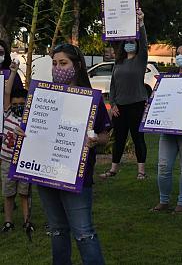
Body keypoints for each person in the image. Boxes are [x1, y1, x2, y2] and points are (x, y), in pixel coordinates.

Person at [38, 43, 112, 265]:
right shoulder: (43, 96)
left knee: (83, 232)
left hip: (76, 176)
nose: (57, 68)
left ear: (77, 66)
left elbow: (105, 136)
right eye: (54, 63)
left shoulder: (92, 99)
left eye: (63, 63)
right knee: (58, 231)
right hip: (46, 173)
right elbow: (36, 129)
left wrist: (95, 139)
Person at [151, 39, 182, 214]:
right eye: (178, 53)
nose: (180, 56)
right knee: (163, 166)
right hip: (167, 128)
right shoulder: (170, 75)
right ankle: (164, 201)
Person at [101, 9, 149, 180]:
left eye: (132, 41)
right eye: (127, 41)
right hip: (119, 107)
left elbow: (144, 42)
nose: (130, 43)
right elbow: (113, 85)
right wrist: (113, 104)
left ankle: (141, 171)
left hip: (137, 104)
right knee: (119, 138)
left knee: (138, 139)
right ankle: (113, 169)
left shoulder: (140, 60)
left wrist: (141, 23)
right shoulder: (118, 62)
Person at [1, 59, 31, 232]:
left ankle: (27, 221)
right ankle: (8, 221)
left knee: (24, 193)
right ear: (11, 104)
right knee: (8, 193)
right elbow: (6, 92)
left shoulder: (29, 119)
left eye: (22, 104)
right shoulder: (7, 113)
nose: (19, 107)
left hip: (24, 161)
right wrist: (13, 72)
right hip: (6, 160)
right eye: (16, 104)